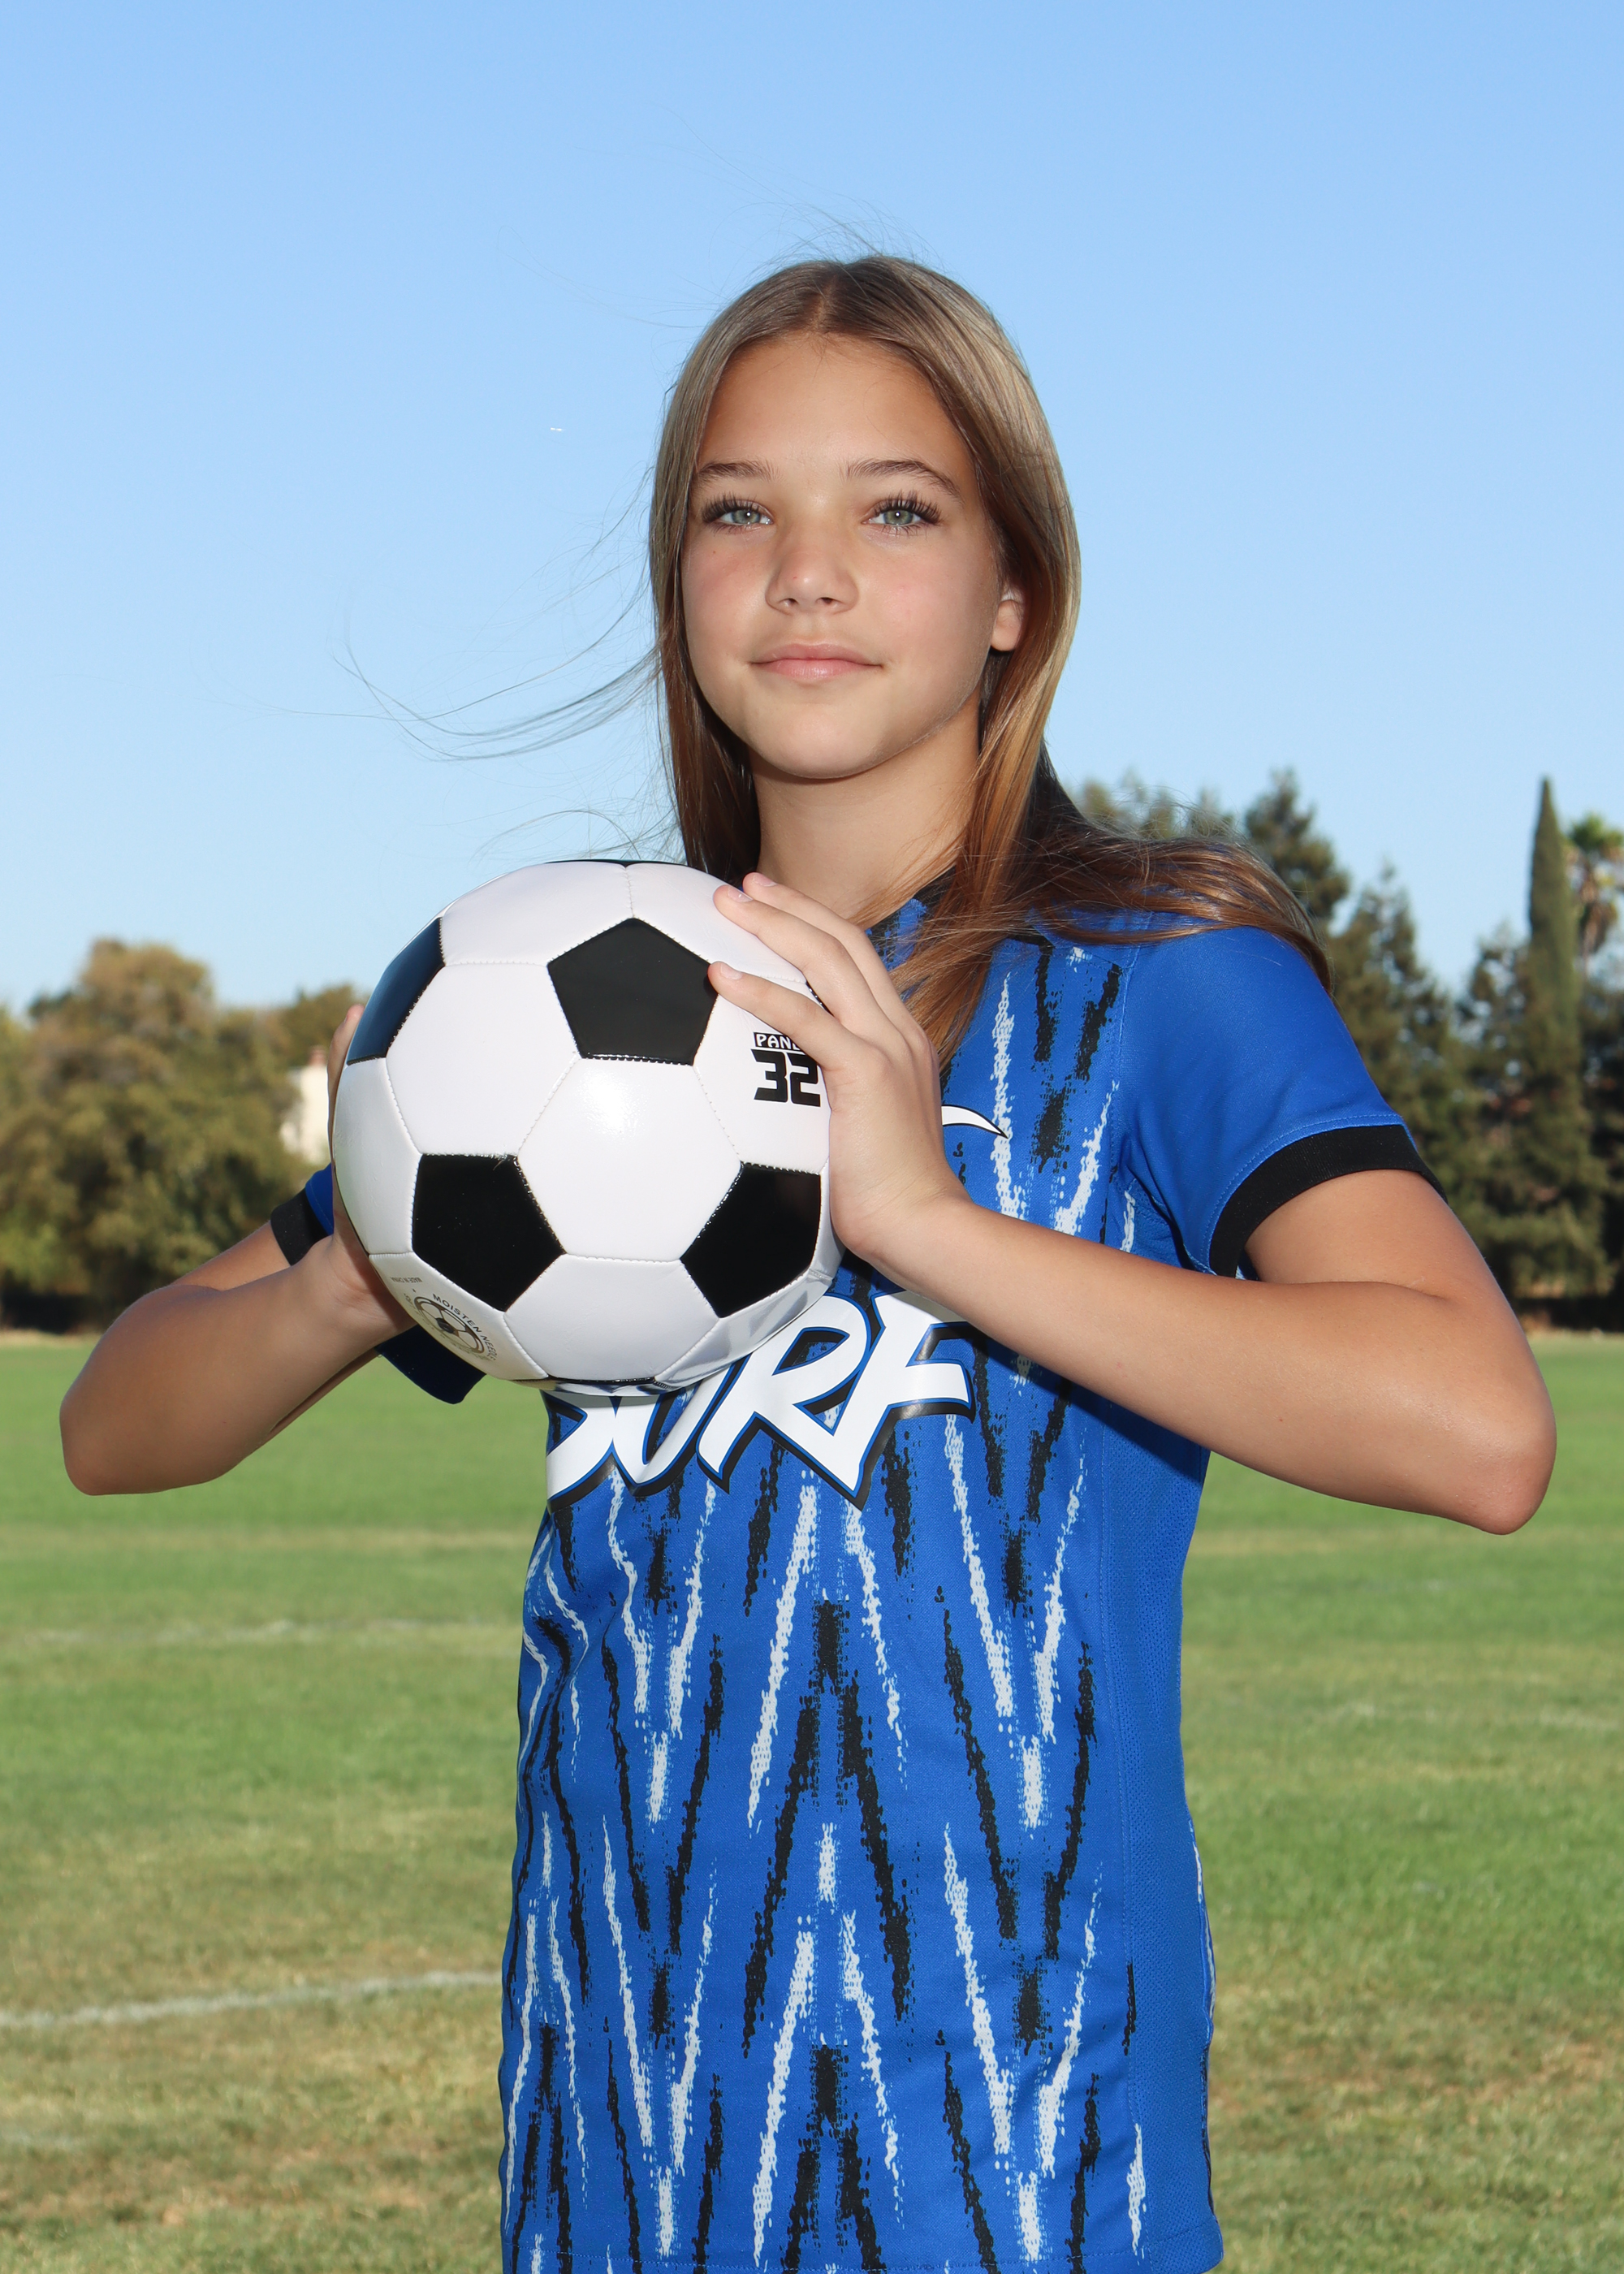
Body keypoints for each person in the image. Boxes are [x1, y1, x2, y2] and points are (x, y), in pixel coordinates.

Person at [61, 257, 1554, 2274]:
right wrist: (367, 1268)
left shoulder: (1154, 973)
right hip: (614, 2159)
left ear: (1017, 588)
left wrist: (928, 1221)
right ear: (680, 580)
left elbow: (1475, 1426)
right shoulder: (583, 1012)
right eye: (737, 509)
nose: (808, 572)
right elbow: (116, 1421)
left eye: (897, 508)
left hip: (1018, 2172)